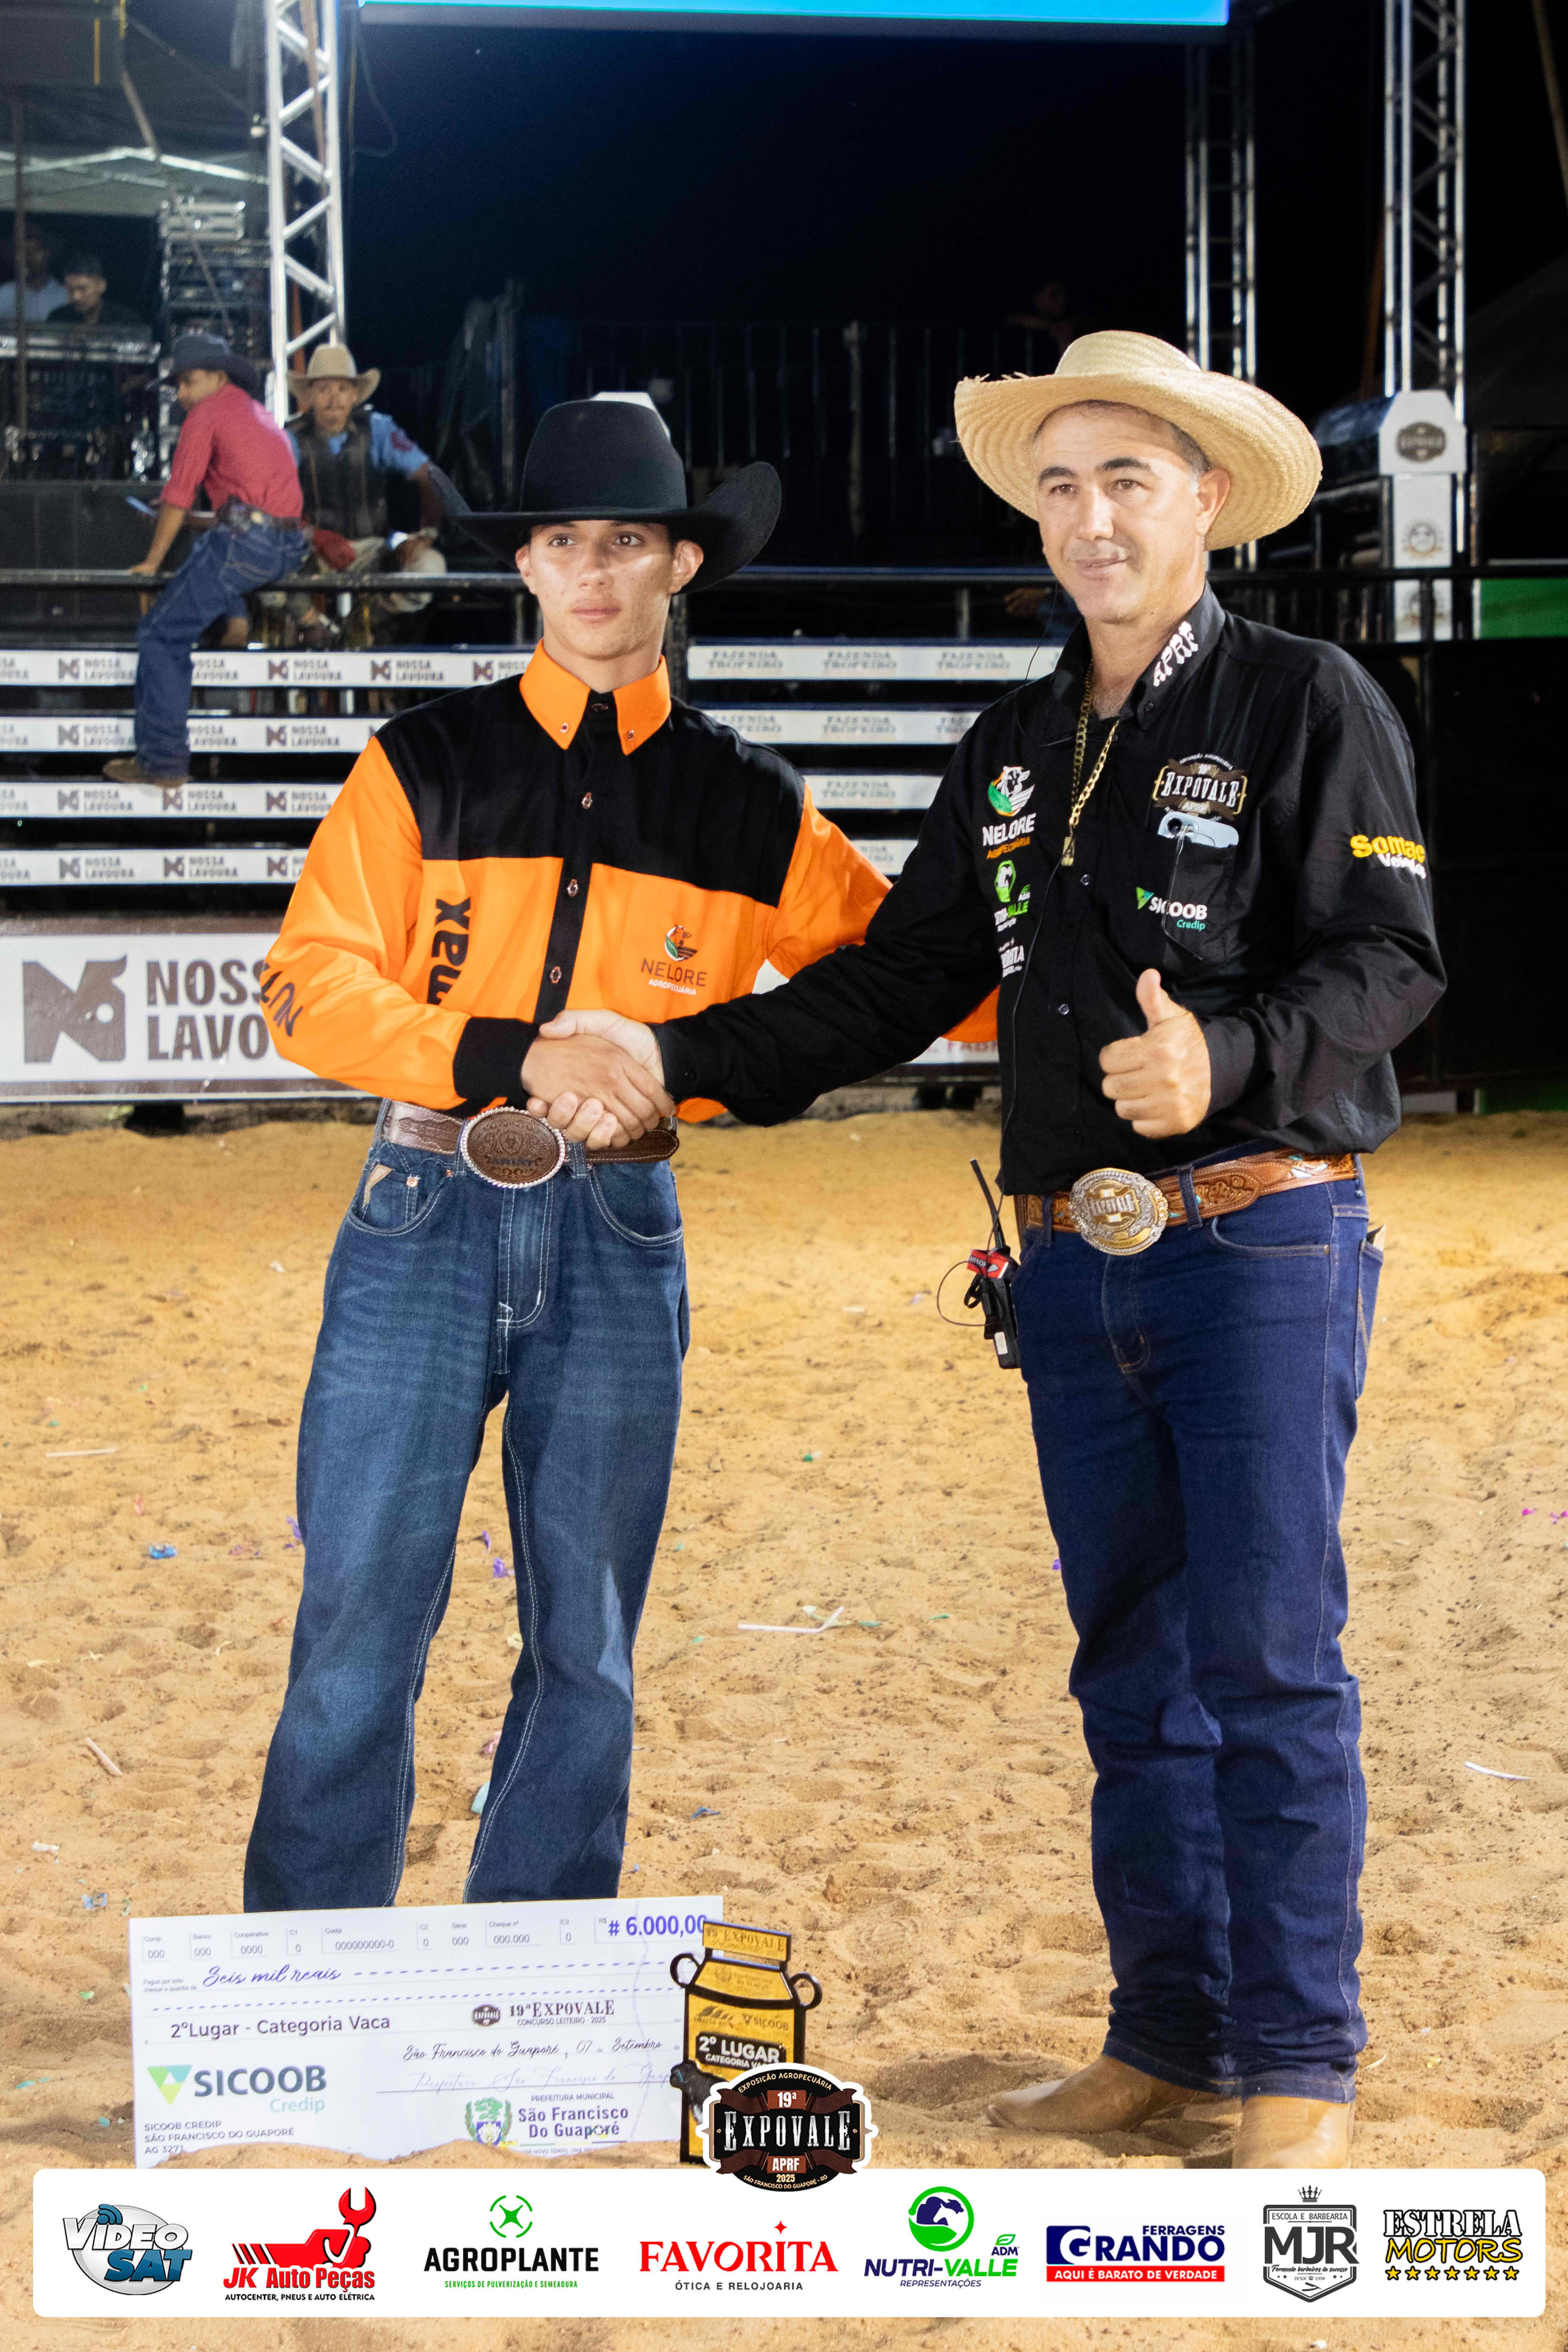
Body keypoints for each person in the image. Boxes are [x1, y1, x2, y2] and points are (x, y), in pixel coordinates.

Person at [548, 333, 1445, 2169]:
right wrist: (672, 1057)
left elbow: (1391, 958)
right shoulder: (1017, 745)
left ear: (1207, 500)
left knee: (1267, 1658)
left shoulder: (1304, 697)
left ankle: (1296, 2054)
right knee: (1130, 1665)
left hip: (1253, 1238)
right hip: (1065, 1264)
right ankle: (1167, 2037)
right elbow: (897, 978)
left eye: (1129, 480)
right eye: (1061, 485)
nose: (1092, 518)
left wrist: (1227, 1058)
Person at [242, 397, 981, 1912]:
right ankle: (311, 1963)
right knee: (356, 1617)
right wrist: (519, 1054)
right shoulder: (418, 764)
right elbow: (305, 984)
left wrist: (1087, 958)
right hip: (424, 1197)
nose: (592, 570)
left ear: (679, 566)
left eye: (627, 541)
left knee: (585, 1635)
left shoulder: (753, 802)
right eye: (564, 542)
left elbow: (914, 981)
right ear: (526, 564)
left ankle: (537, 1967)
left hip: (622, 1217)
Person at [102, 335, 305, 787]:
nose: (182, 394)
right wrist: (184, 518)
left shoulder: (206, 414)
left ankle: (162, 761)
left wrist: (152, 560)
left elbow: (180, 493)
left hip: (246, 544)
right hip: (288, 546)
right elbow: (247, 511)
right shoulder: (255, 412)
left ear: (219, 377)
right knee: (208, 551)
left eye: (189, 381)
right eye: (178, 385)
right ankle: (235, 618)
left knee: (160, 635)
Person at [286, 343, 446, 635]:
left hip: (373, 548)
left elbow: (429, 476)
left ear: (355, 395)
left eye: (342, 389)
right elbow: (269, 502)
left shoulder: (379, 429)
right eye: (323, 389)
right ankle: (315, 629)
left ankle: (363, 622)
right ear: (309, 395)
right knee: (267, 564)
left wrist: (426, 534)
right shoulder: (289, 438)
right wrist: (313, 535)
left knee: (431, 568)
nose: (334, 398)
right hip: (311, 549)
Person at [46, 251, 144, 329]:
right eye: (70, 290)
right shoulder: (58, 320)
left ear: (101, 286)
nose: (76, 297)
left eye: (83, 289)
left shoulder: (125, 322)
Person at [0, 227, 67, 322]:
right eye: (23, 254)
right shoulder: (5, 294)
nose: (28, 259)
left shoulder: (64, 296)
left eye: (33, 252)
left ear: (47, 253)